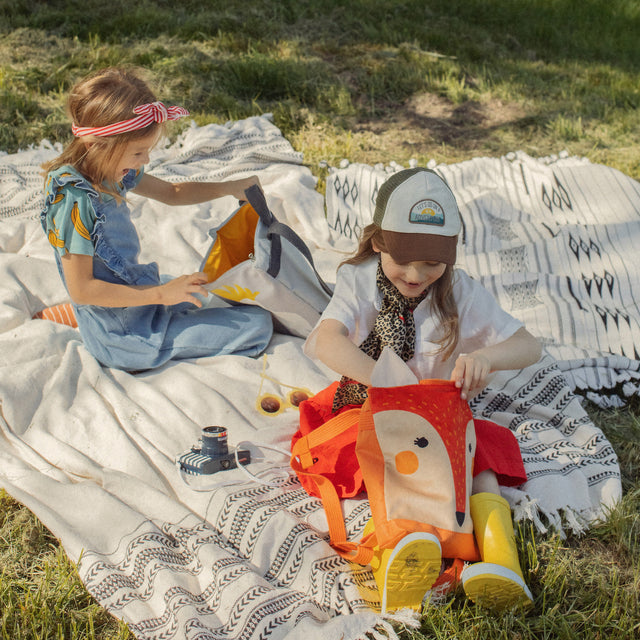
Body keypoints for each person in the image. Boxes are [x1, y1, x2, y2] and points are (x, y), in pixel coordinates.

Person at [302, 167, 542, 612]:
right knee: (387, 465)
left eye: (431, 263)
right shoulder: (360, 281)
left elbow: (530, 345)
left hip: (442, 419)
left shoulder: (460, 292)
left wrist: (487, 359)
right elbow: (325, 340)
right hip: (376, 410)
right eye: (404, 259)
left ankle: (503, 563)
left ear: (448, 258)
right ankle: (400, 554)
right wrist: (383, 379)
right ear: (378, 242)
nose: (415, 275)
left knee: (480, 456)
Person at [40, 67, 273, 371]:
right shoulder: (73, 200)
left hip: (136, 303)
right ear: (97, 144)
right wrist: (163, 294)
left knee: (207, 289)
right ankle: (91, 323)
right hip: (128, 339)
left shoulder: (109, 169)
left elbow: (173, 193)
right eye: (138, 153)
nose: (145, 161)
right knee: (259, 324)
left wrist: (230, 187)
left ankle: (86, 316)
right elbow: (82, 289)